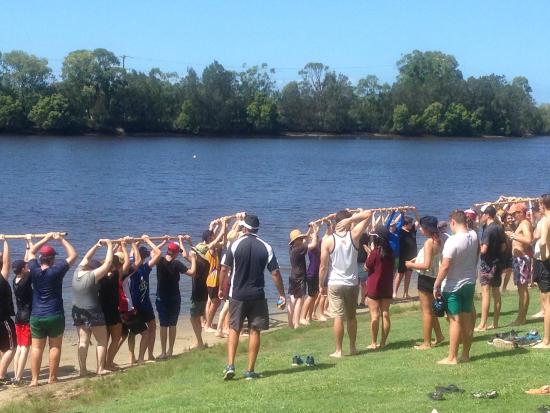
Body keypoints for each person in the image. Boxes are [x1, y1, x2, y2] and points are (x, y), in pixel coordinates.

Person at [218, 214, 286, 380]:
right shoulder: (266, 247)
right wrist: (282, 294)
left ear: (244, 228)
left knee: (234, 329)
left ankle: (230, 365)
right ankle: (249, 371)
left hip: (237, 294)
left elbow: (224, 269)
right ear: (256, 229)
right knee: (255, 331)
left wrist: (221, 289)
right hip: (257, 295)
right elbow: (275, 273)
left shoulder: (234, 245)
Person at [319, 209, 372, 358]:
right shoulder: (354, 235)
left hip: (335, 282)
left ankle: (338, 350)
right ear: (346, 223)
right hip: (351, 283)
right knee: (351, 317)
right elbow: (369, 214)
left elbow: (323, 266)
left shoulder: (328, 240)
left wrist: (320, 284)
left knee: (338, 317)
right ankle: (353, 348)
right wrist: (351, 220)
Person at [27, 232, 78, 386]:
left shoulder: (34, 270)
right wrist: (61, 239)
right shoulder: (56, 271)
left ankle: (34, 380)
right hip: (54, 314)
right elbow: (73, 254)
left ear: (41, 258)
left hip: (36, 315)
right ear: (53, 259)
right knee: (55, 346)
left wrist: (46, 238)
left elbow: (31, 252)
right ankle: (52, 378)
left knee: (36, 348)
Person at [433, 210, 479, 365]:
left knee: (455, 320)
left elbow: (445, 266)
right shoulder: (473, 235)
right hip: (470, 283)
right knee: (467, 319)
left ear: (453, 222)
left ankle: (452, 357)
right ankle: (465, 354)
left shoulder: (452, 241)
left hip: (454, 286)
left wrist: (437, 284)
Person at [71, 239, 113, 376]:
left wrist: (96, 245)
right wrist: (110, 245)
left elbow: (86, 257)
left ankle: (82, 370)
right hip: (93, 311)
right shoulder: (92, 276)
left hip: (77, 311)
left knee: (83, 341)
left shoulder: (77, 271)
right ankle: (100, 369)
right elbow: (108, 264)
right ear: (94, 269)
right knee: (102, 340)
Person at [405, 216, 445, 350]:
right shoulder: (438, 239)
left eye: (422, 227)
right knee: (431, 310)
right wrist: (416, 259)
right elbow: (429, 257)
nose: (420, 228)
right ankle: (439, 335)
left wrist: (411, 265)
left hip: (426, 277)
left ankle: (426, 342)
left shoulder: (429, 242)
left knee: (426, 311)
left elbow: (426, 265)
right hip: (434, 277)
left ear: (427, 228)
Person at [156, 239, 196, 359]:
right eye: (178, 252)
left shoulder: (159, 261)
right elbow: (192, 273)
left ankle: (163, 352)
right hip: (174, 297)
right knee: (172, 324)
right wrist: (193, 259)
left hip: (161, 297)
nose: (179, 254)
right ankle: (170, 351)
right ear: (174, 253)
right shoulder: (177, 264)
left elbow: (155, 251)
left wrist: (163, 241)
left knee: (163, 325)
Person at [129, 235, 163, 362]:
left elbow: (132, 253)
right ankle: (142, 357)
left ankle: (138, 356)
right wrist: (147, 240)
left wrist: (134, 243)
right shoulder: (141, 268)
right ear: (145, 256)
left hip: (137, 304)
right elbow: (158, 253)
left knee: (135, 332)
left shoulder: (130, 268)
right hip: (141, 305)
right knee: (148, 329)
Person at [475, 206, 506, 331]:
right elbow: (504, 246)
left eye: (482, 214)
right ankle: (495, 323)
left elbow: (483, 250)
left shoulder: (488, 230)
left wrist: (477, 245)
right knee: (496, 293)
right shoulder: (499, 228)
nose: (480, 216)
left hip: (487, 264)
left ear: (487, 215)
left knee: (486, 293)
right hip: (498, 263)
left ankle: (483, 324)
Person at [365, 225, 395, 349]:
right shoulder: (391, 252)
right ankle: (383, 342)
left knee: (374, 315)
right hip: (387, 285)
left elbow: (367, 267)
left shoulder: (375, 252)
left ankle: (373, 343)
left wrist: (369, 253)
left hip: (374, 286)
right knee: (385, 314)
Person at [505, 203, 534, 326]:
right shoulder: (522, 224)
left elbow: (529, 239)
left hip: (522, 259)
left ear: (520, 213)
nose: (512, 216)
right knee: (521, 289)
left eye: (514, 214)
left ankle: (521, 318)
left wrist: (513, 236)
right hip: (519, 259)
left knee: (523, 289)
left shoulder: (525, 224)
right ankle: (520, 317)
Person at [98, 244, 125, 370]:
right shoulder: (116, 275)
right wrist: (123, 246)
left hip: (101, 311)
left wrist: (114, 248)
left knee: (104, 339)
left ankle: (102, 364)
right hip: (113, 311)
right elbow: (125, 266)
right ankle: (109, 363)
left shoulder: (100, 276)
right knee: (116, 338)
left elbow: (105, 262)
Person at [287, 225, 318, 329]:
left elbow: (304, 240)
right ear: (296, 240)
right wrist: (315, 233)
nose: (302, 239)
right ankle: (296, 324)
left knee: (292, 299)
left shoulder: (292, 248)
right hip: (299, 277)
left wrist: (309, 230)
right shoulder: (299, 248)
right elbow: (313, 245)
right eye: (300, 238)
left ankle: (290, 323)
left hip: (292, 276)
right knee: (299, 300)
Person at [12, 244, 32, 386]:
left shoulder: (15, 280)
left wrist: (27, 245)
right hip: (27, 317)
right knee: (25, 347)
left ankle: (16, 375)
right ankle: (19, 378)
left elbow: (26, 262)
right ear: (23, 269)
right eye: (25, 267)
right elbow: (31, 263)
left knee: (19, 346)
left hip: (18, 317)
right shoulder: (27, 279)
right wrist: (31, 246)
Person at [533, 194, 550, 349]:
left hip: (547, 263)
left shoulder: (545, 220)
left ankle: (546, 341)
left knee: (547, 304)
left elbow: (543, 241)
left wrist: (544, 256)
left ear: (544, 205)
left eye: (539, 204)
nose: (538, 207)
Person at [0, 235, 16, 385]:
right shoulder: (2, 277)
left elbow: (4, 262)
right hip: (3, 320)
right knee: (12, 347)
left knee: (2, 347)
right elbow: (7, 262)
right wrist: (5, 241)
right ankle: (1, 376)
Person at [395, 209, 420, 299]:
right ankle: (394, 293)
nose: (411, 224)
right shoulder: (400, 231)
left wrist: (414, 211)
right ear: (405, 224)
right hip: (403, 256)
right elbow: (394, 223)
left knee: (408, 275)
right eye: (410, 223)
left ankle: (406, 293)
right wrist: (401, 213)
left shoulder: (412, 230)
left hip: (412, 256)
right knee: (400, 275)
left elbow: (418, 220)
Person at [301, 231, 322, 323]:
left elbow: (323, 238)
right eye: (316, 238)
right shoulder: (312, 248)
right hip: (311, 274)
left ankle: (309, 317)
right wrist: (314, 232)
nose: (318, 239)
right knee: (310, 296)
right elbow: (306, 240)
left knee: (315, 295)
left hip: (316, 274)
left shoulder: (318, 246)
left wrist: (316, 228)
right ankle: (303, 317)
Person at [500, 211, 515, 293]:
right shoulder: (501, 227)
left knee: (509, 270)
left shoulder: (513, 226)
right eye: (508, 218)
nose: (511, 220)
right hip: (503, 252)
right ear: (504, 219)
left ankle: (504, 288)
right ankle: (495, 287)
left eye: (511, 218)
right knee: (500, 271)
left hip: (510, 252)